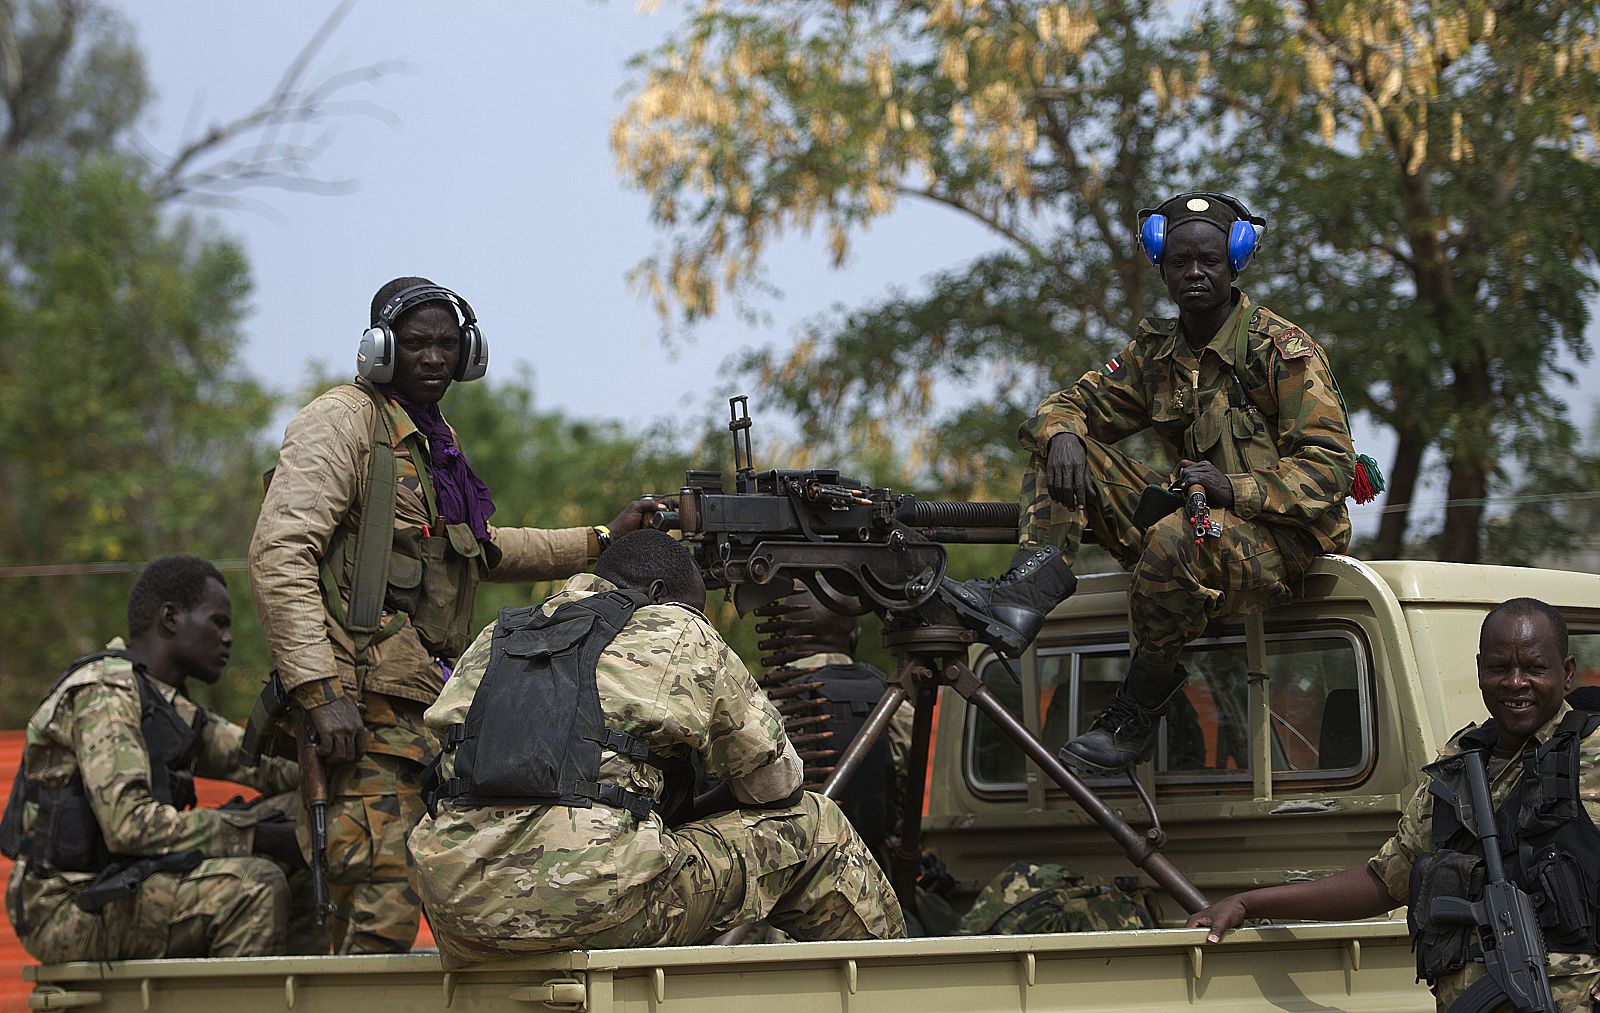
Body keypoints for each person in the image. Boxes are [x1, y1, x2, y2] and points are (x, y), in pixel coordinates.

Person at [247, 277, 664, 953]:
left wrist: (601, 539)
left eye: (447, 343)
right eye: (416, 343)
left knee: (445, 893)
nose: (434, 357)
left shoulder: (432, 442)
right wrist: (319, 691)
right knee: (376, 901)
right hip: (360, 703)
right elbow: (279, 553)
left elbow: (479, 551)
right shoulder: (342, 421)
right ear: (380, 350)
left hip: (422, 703)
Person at [945, 191, 1355, 773]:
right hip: (1203, 523)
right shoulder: (1156, 354)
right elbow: (1065, 405)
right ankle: (1026, 596)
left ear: (1234, 261)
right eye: (1181, 261)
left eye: (1208, 261)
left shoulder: (1277, 351)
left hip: (1285, 543)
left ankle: (1137, 707)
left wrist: (1234, 489)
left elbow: (1331, 466)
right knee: (1059, 447)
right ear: (1161, 264)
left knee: (1171, 540)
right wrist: (1062, 432)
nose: (1194, 274)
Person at [408, 529, 904, 964]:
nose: (698, 623)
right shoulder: (676, 628)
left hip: (458, 918)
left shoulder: (497, 636)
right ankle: (902, 991)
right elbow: (777, 784)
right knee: (817, 827)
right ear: (661, 594)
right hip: (598, 907)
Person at [1186, 598, 1600, 1012]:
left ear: (1566, 674)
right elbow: (1385, 880)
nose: (1515, 682)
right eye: (1498, 668)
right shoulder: (1460, 766)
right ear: (1479, 671)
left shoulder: (1592, 756)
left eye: (1533, 668)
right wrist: (1249, 903)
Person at [0, 556, 303, 962]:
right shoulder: (106, 692)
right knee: (255, 886)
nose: (228, 638)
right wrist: (253, 833)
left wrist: (339, 768)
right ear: (171, 618)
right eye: (218, 622)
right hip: (66, 904)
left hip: (124, 882)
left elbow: (259, 764)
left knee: (307, 815)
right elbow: (127, 825)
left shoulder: (163, 705)